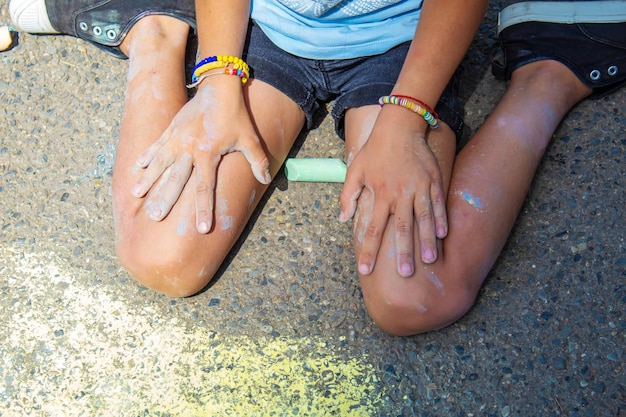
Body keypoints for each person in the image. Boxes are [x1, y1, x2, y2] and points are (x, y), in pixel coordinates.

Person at [9, 0, 489, 333]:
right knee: (161, 256)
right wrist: (218, 79)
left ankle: (545, 76)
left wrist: (406, 119)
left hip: (407, 44)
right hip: (264, 25)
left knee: (413, 295)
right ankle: (155, 28)